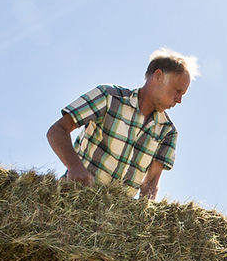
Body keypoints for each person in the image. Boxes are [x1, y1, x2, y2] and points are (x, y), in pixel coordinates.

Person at [47, 48, 197, 200]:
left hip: (115, 217)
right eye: (177, 91)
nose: (179, 100)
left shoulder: (168, 132)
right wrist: (75, 167)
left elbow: (151, 183)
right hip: (75, 199)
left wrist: (145, 219)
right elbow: (57, 130)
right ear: (158, 76)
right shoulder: (108, 97)